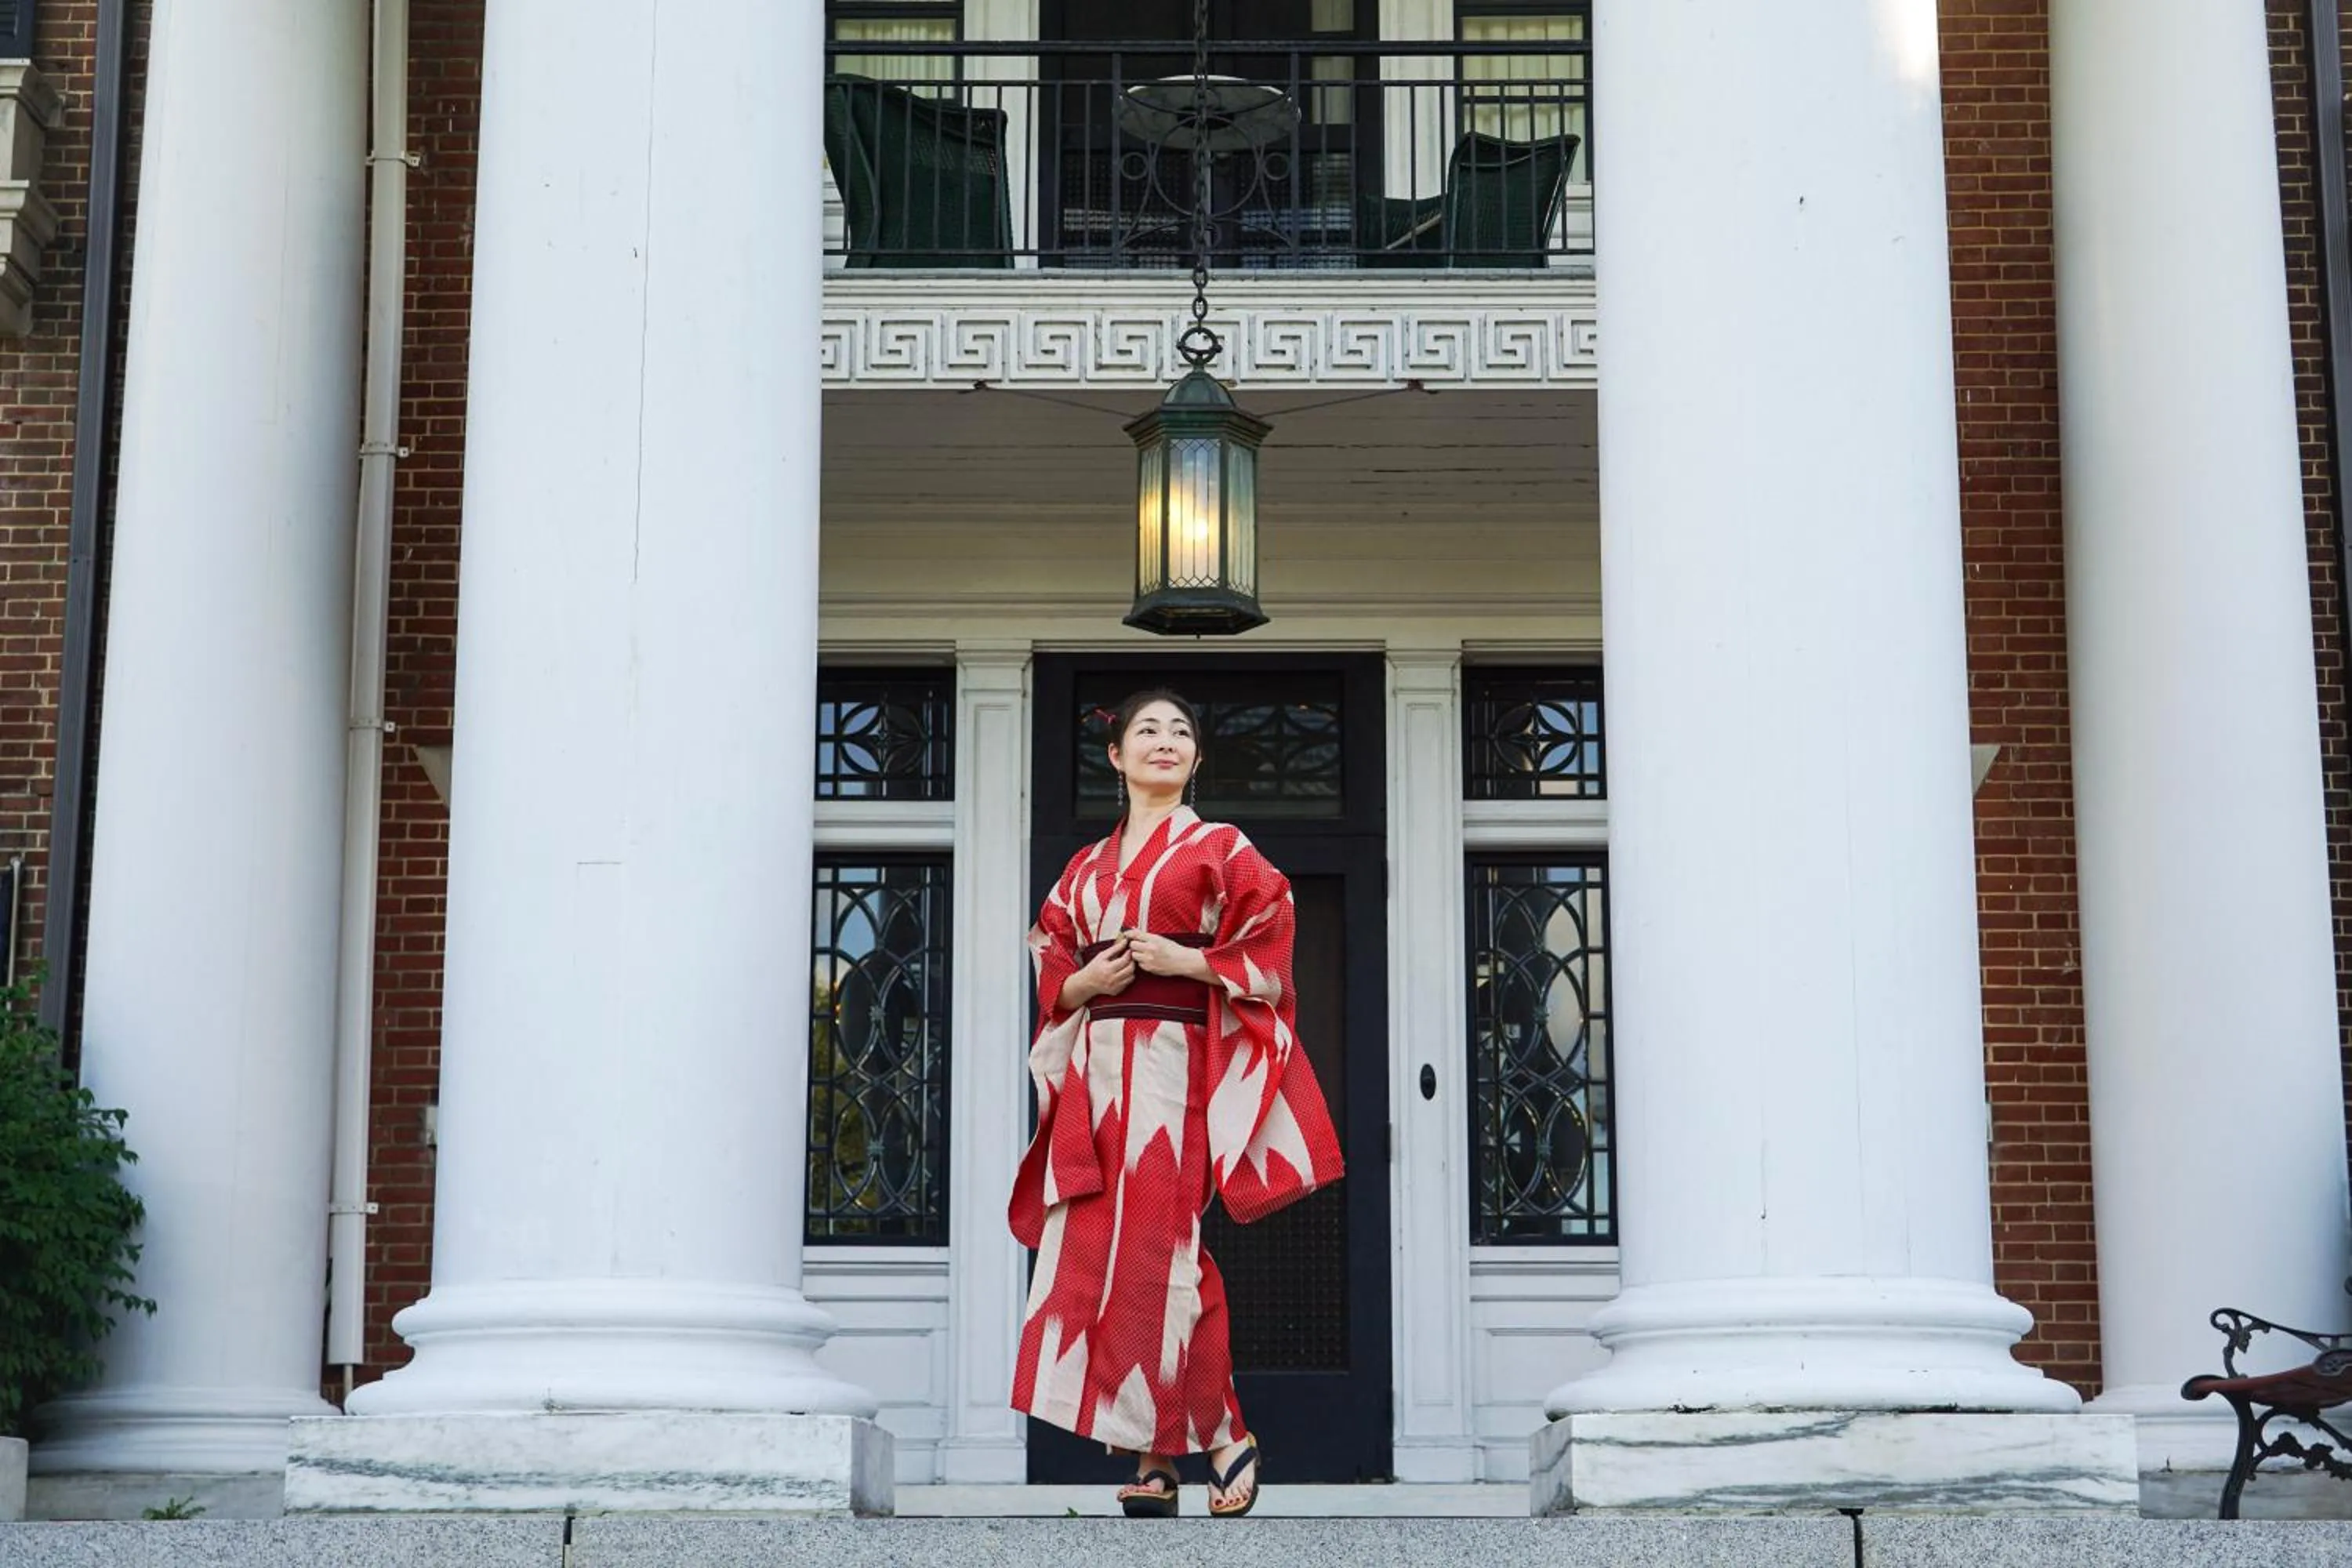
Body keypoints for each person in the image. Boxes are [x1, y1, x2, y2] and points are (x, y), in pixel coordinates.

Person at [1008, 688, 1344, 1519]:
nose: (1165, 741)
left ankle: (1223, 1435)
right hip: (1098, 1073)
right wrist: (1085, 981)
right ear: (1116, 755)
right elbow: (1052, 958)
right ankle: (1154, 1457)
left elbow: (1272, 946)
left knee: (1167, 1248)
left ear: (1195, 758)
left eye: (1181, 731)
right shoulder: (1083, 869)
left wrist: (1186, 962)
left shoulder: (1222, 847)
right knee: (1105, 1251)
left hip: (1178, 1063)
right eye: (1147, 730)